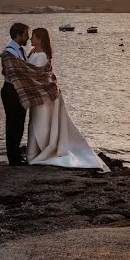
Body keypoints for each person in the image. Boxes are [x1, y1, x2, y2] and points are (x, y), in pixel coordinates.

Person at [24, 28, 109, 171]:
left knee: (43, 122)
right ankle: (37, 151)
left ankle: (45, 150)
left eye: (33, 37)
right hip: (38, 96)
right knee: (36, 122)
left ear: (39, 39)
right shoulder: (33, 52)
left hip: (46, 97)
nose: (30, 39)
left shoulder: (42, 56)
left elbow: (36, 75)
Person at [1, 23, 30, 166]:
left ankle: (16, 155)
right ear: (18, 35)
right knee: (13, 124)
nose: (28, 38)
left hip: (18, 90)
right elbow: (13, 73)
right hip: (11, 90)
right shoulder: (9, 51)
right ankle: (13, 158)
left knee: (19, 124)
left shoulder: (21, 50)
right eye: (26, 34)